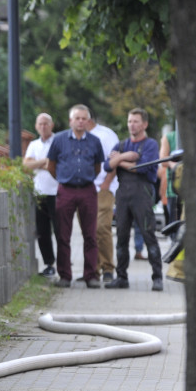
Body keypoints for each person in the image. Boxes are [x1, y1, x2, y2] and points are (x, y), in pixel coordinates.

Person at [46, 104, 106, 288]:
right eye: (77, 118)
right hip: (66, 190)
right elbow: (51, 165)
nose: (80, 122)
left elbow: (97, 167)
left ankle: (91, 276)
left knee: (90, 234)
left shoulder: (95, 141)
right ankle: (64, 276)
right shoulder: (59, 139)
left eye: (84, 118)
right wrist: (64, 179)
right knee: (63, 235)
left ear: (88, 121)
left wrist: (85, 179)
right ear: (71, 121)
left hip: (88, 190)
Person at [106, 108, 163, 291]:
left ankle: (157, 277)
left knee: (149, 235)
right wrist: (125, 158)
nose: (132, 125)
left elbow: (142, 168)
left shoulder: (150, 144)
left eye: (136, 121)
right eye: (130, 121)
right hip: (123, 195)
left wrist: (119, 161)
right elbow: (108, 166)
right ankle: (121, 277)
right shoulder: (122, 145)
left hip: (143, 193)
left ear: (144, 124)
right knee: (121, 236)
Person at [22, 113, 58, 276]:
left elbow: (57, 164)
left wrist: (41, 163)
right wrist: (45, 162)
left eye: (46, 123)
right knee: (42, 231)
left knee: (60, 231)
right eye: (40, 124)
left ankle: (64, 264)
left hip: (57, 192)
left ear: (52, 125)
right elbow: (26, 165)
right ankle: (49, 264)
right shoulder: (34, 144)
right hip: (40, 193)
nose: (43, 126)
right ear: (36, 126)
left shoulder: (58, 141)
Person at [87, 114, 119, 284]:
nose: (76, 122)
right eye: (74, 118)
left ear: (89, 119)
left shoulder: (106, 135)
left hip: (102, 188)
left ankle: (107, 268)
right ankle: (93, 269)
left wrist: (106, 183)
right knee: (89, 231)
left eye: (80, 118)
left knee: (101, 227)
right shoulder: (76, 136)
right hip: (83, 189)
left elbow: (114, 160)